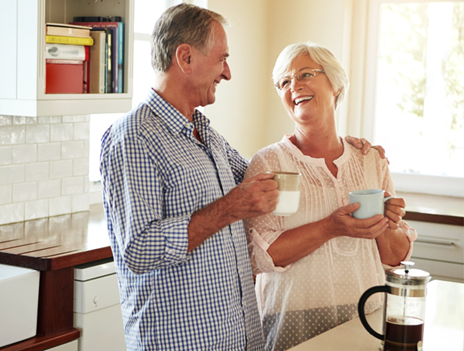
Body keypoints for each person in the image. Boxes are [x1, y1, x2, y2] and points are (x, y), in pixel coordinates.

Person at [100, 5, 379, 350]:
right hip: (182, 342)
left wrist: (346, 153)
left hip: (236, 337)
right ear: (185, 58)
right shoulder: (134, 137)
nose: (227, 73)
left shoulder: (205, 134)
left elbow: (274, 174)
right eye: (222, 59)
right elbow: (137, 250)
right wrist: (229, 209)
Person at [242, 42, 418, 351]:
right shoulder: (273, 164)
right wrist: (330, 227)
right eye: (284, 82)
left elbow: (392, 257)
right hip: (292, 323)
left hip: (367, 316)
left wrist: (388, 223)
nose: (294, 86)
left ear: (335, 85)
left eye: (305, 74)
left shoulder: (370, 160)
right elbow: (262, 257)